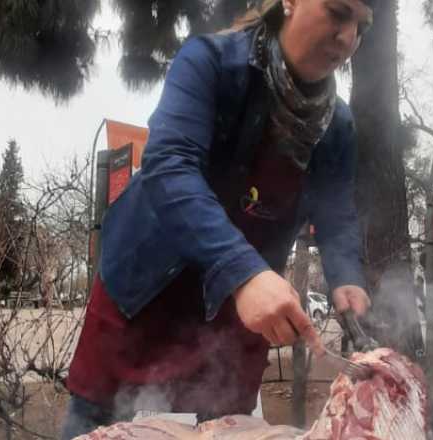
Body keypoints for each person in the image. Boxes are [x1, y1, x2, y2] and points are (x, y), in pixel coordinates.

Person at [60, 1, 376, 438]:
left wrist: (346, 275)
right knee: (100, 428)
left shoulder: (336, 125)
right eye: (338, 12)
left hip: (235, 320)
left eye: (361, 26)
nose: (348, 38)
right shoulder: (211, 62)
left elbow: (337, 212)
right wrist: (243, 271)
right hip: (146, 297)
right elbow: (169, 166)